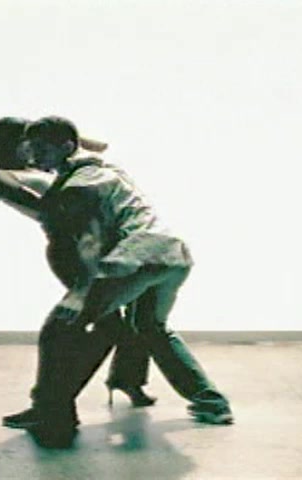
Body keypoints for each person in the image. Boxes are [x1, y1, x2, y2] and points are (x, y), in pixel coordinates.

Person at [18, 116, 234, 434]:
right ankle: (211, 403)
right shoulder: (105, 168)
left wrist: (81, 292)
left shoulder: (80, 185)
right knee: (150, 327)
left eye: (42, 148)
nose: (34, 156)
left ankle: (49, 409)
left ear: (66, 147)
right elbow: (97, 146)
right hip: (172, 257)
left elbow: (86, 238)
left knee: (61, 327)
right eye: (32, 148)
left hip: (137, 259)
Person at [0, 117, 156, 446]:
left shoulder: (50, 166)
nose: (34, 150)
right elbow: (50, 210)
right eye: (28, 143)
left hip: (90, 245)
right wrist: (74, 183)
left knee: (104, 327)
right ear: (11, 143)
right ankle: (54, 405)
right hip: (70, 251)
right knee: (72, 329)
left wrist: (70, 144)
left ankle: (55, 404)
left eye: (39, 144)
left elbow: (100, 147)